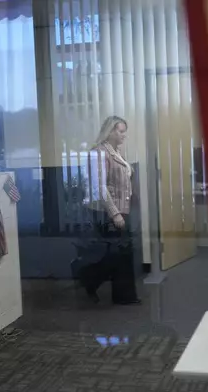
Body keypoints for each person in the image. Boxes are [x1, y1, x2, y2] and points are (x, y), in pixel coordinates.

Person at [82, 116, 140, 305]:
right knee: (117, 252)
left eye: (125, 131)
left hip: (122, 208)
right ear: (110, 131)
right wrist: (114, 213)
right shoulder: (99, 153)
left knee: (122, 253)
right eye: (120, 131)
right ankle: (90, 279)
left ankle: (123, 296)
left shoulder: (115, 152)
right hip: (108, 211)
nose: (124, 135)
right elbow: (99, 186)